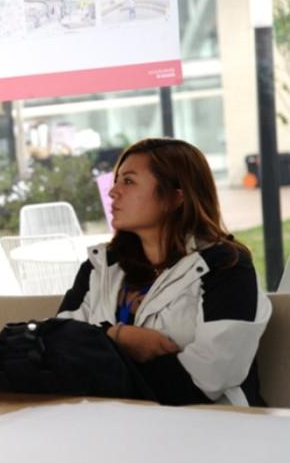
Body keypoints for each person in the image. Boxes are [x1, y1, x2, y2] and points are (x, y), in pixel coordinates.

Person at [58, 138, 271, 406]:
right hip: (111, 425)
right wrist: (118, 337)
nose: (112, 192)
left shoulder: (225, 266)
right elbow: (57, 345)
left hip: (212, 429)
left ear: (174, 197)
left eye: (128, 181)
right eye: (116, 181)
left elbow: (206, 380)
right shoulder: (100, 265)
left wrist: (96, 362)